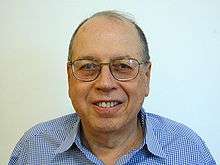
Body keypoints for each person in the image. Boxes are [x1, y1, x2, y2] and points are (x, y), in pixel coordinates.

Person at [9, 10, 216, 165]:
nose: (105, 83)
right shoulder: (34, 149)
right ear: (69, 77)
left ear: (147, 77)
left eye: (123, 66)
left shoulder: (188, 151)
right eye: (88, 67)